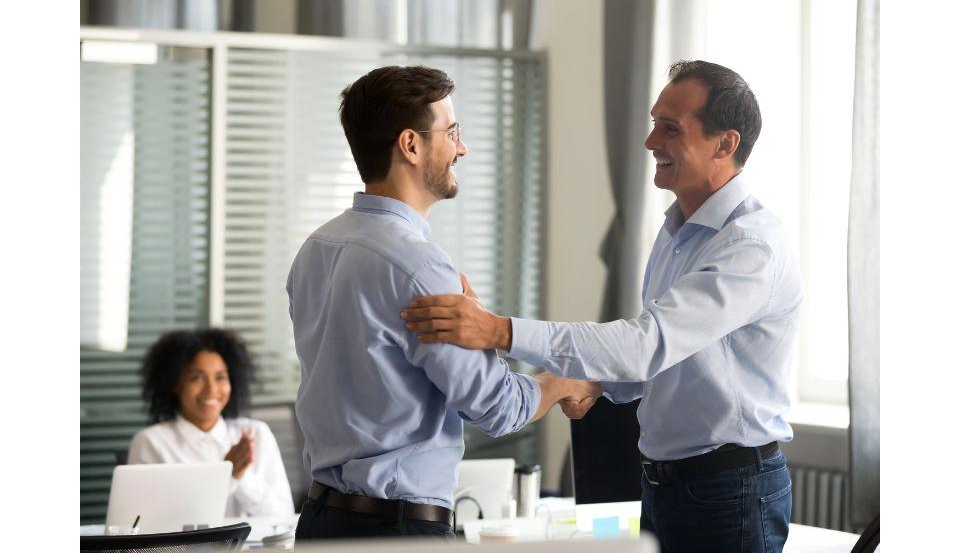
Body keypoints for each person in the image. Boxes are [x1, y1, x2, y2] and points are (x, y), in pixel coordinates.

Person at [402, 60, 802, 553]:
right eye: (655, 123)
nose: (650, 141)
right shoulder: (677, 230)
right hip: (666, 486)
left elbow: (647, 345)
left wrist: (499, 331)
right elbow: (664, 363)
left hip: (729, 491)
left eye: (670, 128)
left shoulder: (750, 245)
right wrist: (591, 382)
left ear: (725, 144)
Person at [287, 65, 599, 541]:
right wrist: (559, 383)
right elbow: (496, 407)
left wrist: (480, 328)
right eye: (452, 132)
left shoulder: (316, 248)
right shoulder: (418, 266)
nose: (462, 147)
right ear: (410, 145)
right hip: (395, 530)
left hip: (320, 522)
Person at [128, 328, 295, 518]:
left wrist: (242, 477)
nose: (211, 389)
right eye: (196, 378)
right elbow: (146, 524)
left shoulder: (255, 433)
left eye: (220, 377)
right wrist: (227, 475)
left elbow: (283, 516)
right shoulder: (151, 442)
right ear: (174, 383)